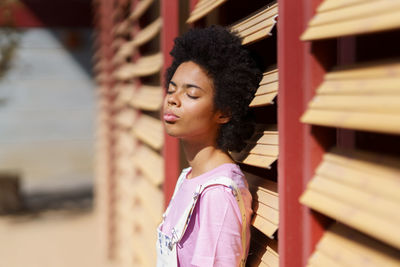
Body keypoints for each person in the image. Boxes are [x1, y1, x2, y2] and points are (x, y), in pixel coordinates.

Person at [156, 25, 262, 267]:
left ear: (223, 112)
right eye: (171, 90)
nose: (172, 99)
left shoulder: (217, 193)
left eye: (191, 94)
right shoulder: (190, 177)